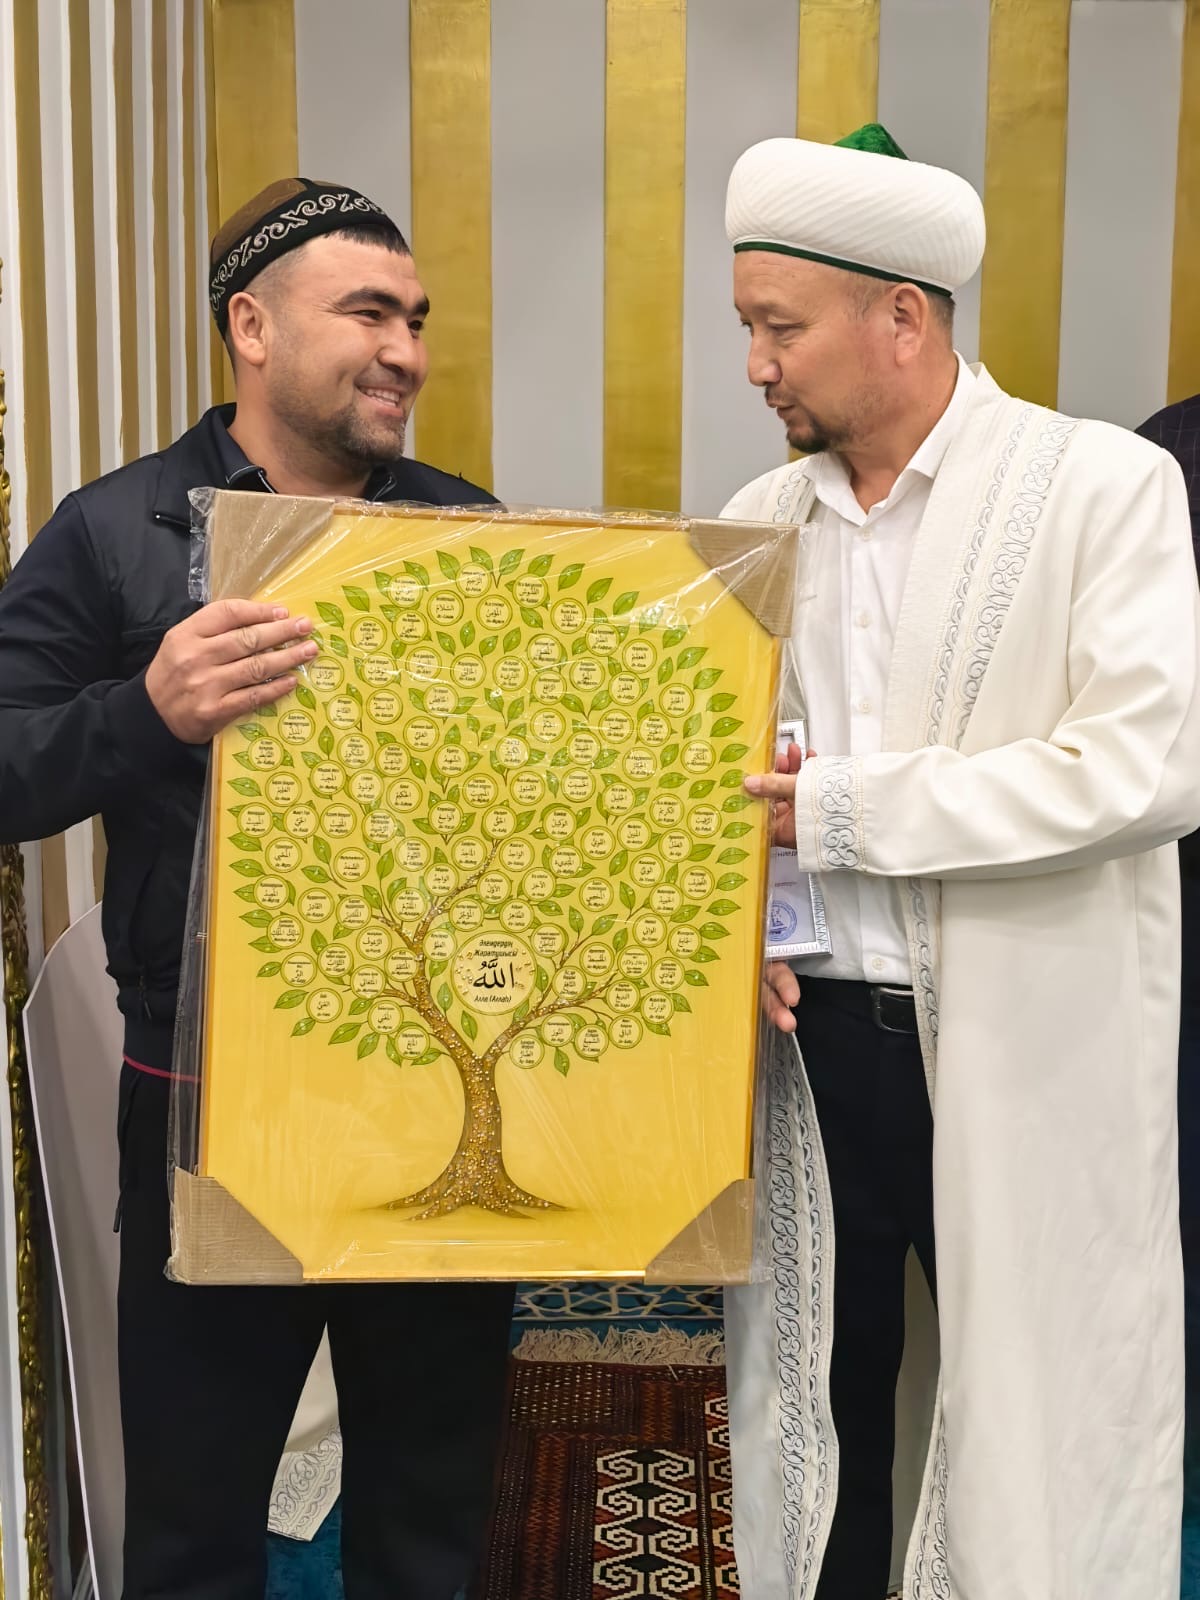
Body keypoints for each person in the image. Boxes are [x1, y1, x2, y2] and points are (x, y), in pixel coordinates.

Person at [0, 178, 513, 1600]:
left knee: (433, 1506)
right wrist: (142, 714)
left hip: (435, 1093)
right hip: (209, 1110)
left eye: (415, 320)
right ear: (253, 326)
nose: (406, 351)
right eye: (369, 314)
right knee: (195, 1521)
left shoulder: (467, 530)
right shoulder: (116, 532)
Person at [719, 125, 1200, 1600]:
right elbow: (734, 787)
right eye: (747, 329)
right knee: (826, 1399)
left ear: (901, 318)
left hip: (1022, 1050)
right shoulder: (755, 525)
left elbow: (1143, 769)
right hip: (813, 1052)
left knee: (1028, 1415)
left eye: (780, 328)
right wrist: (749, 929)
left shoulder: (1103, 488)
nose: (757, 367)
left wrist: (843, 815)